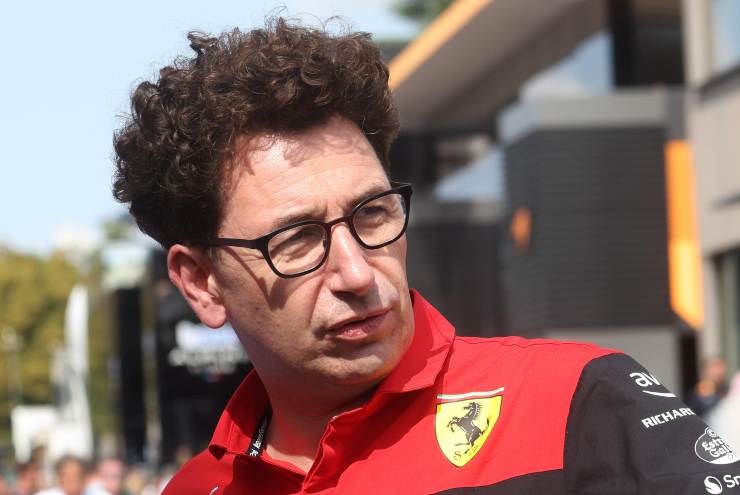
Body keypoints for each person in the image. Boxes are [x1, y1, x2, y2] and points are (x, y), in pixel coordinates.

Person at [112, 17, 740, 494]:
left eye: (372, 213)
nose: (357, 272)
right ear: (202, 283)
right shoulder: (196, 488)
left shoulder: (577, 402)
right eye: (297, 239)